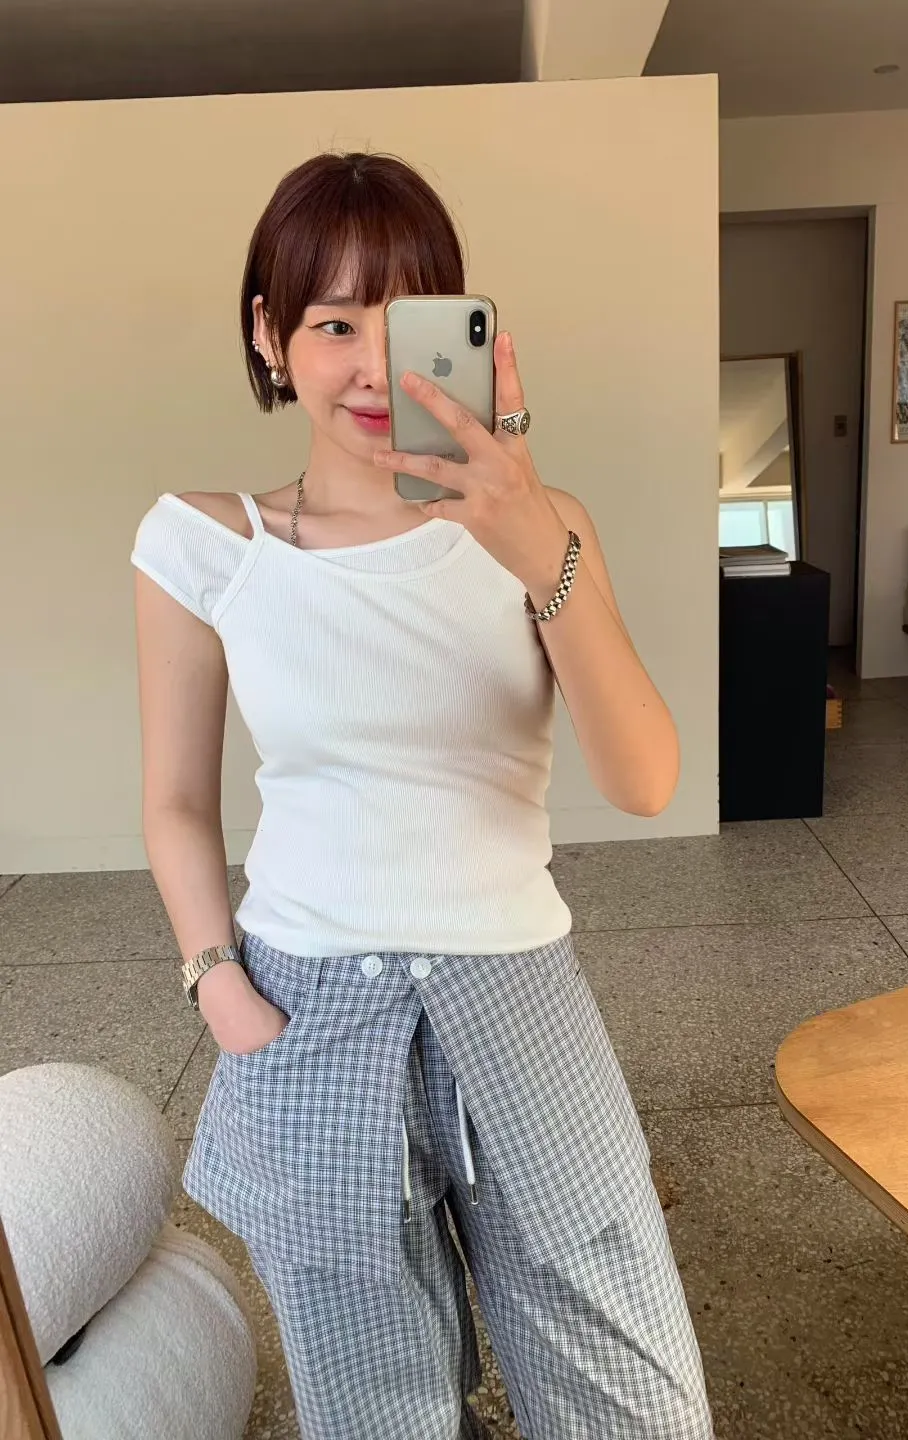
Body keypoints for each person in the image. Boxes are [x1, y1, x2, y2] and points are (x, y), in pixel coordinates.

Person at [131, 151, 714, 1440]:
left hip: (519, 988)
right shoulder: (203, 545)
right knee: (378, 1413)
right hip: (302, 1005)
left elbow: (645, 779)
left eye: (406, 322)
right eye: (334, 322)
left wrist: (535, 544)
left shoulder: (544, 527)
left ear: (465, 332)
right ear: (270, 336)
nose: (369, 364)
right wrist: (218, 986)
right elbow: (175, 801)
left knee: (637, 1406)